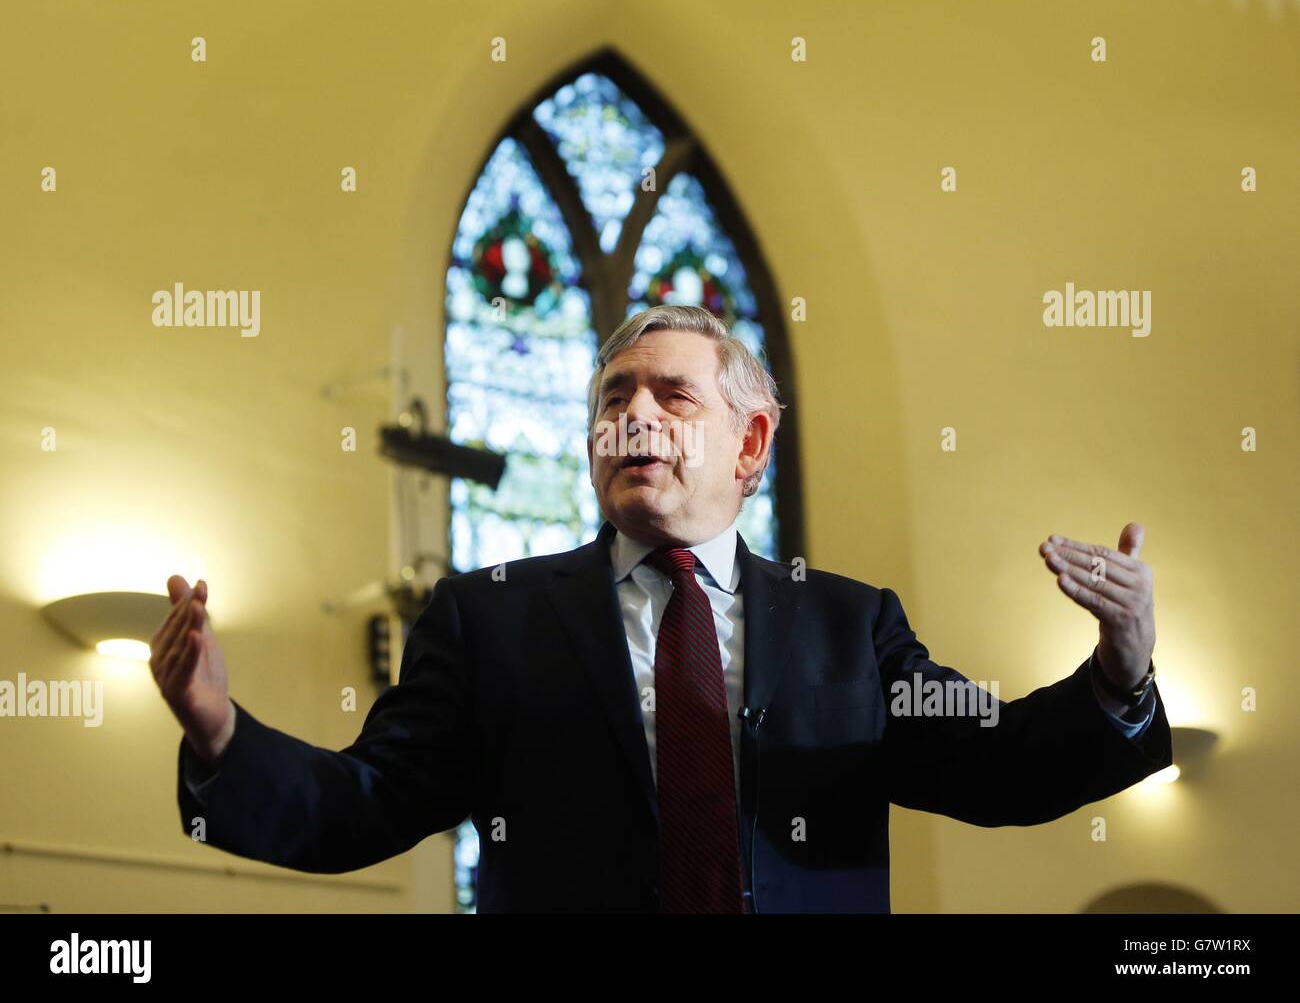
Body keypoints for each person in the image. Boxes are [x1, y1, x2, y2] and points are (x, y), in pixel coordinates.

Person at [153, 304, 1170, 913]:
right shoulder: (489, 618)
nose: (633, 416)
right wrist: (220, 734)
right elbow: (366, 804)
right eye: (613, 398)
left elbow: (996, 765)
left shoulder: (846, 629)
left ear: (750, 443)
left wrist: (1120, 674)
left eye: (672, 397)